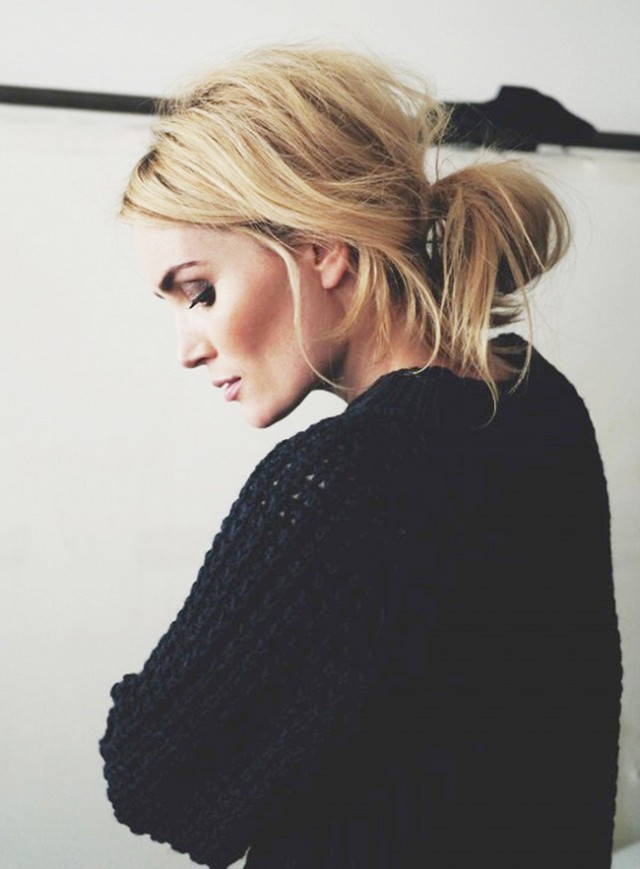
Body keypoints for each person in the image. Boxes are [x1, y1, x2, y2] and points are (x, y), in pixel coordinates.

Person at [99, 46, 622, 868]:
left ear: (321, 248)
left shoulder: (347, 481)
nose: (187, 348)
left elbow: (152, 778)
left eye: (200, 292)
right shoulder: (533, 396)